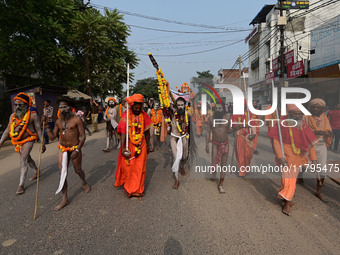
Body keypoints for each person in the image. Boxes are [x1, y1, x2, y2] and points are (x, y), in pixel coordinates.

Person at [269, 104, 317, 216]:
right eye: (296, 113)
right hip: (286, 154)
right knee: (287, 178)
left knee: (291, 179)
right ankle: (287, 201)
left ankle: (286, 198)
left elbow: (311, 143)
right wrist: (280, 156)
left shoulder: (303, 125)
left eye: (300, 113)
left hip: (299, 156)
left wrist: (313, 159)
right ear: (289, 113)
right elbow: (276, 141)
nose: (298, 116)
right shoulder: (281, 123)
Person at [45, 96, 91, 211]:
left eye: (65, 107)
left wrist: (77, 149)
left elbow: (83, 136)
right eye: (60, 107)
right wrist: (46, 127)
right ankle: (65, 199)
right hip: (63, 149)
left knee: (78, 170)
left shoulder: (77, 119)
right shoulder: (58, 122)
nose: (62, 109)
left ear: (70, 108)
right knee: (62, 172)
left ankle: (84, 182)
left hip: (75, 148)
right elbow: (52, 138)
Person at [0, 92, 46, 194]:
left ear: (26, 105)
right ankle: (36, 171)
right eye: (16, 105)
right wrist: (0, 142)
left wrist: (42, 143)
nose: (17, 107)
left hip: (29, 139)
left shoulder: (33, 116)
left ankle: (21, 185)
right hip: (18, 141)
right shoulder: (12, 116)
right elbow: (7, 131)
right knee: (28, 159)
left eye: (20, 105)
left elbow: (38, 130)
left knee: (23, 159)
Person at [115, 94, 152, 198]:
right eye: (136, 108)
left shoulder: (144, 115)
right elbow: (123, 132)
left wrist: (148, 146)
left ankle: (138, 190)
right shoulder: (126, 115)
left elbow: (147, 132)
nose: (138, 109)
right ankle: (129, 188)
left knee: (140, 168)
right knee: (130, 167)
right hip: (129, 144)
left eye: (140, 108)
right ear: (131, 106)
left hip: (141, 145)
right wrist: (122, 148)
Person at [303, 99, 332, 201]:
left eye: (317, 107)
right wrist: (314, 133)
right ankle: (299, 176)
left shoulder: (325, 118)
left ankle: (318, 191)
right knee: (303, 164)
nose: (315, 109)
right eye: (313, 107)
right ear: (310, 108)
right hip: (308, 145)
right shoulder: (306, 117)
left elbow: (329, 130)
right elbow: (301, 130)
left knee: (322, 169)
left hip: (321, 145)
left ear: (322, 109)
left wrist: (328, 134)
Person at [206, 102, 231, 193]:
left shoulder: (228, 118)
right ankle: (214, 174)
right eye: (217, 108)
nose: (218, 110)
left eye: (220, 108)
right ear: (214, 109)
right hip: (215, 144)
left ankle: (220, 184)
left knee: (223, 165)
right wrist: (207, 144)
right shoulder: (211, 119)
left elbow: (230, 130)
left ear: (223, 109)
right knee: (214, 162)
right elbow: (208, 132)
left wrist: (238, 129)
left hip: (225, 144)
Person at [170, 97, 191, 189]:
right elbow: (167, 102)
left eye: (182, 105)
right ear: (176, 106)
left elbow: (189, 128)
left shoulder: (187, 114)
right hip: (174, 137)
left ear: (184, 105)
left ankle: (182, 166)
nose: (180, 107)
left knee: (184, 156)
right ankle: (177, 180)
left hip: (183, 137)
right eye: (178, 105)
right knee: (175, 157)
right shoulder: (173, 113)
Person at [232, 101, 257, 177]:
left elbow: (253, 124)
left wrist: (254, 133)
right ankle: (242, 171)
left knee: (249, 154)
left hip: (249, 136)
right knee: (240, 153)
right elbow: (234, 126)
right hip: (239, 135)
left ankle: (246, 167)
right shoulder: (235, 115)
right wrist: (237, 132)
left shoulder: (249, 114)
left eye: (244, 105)